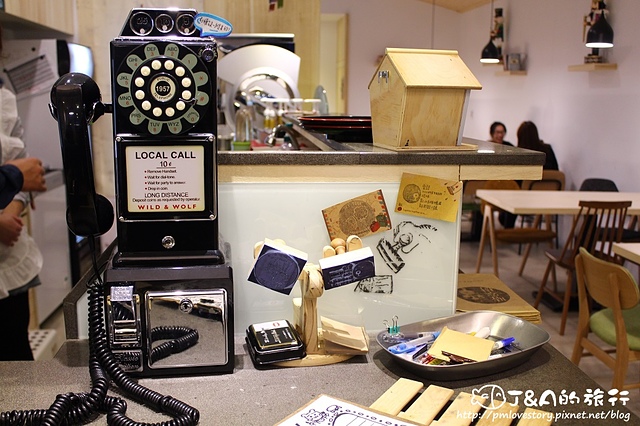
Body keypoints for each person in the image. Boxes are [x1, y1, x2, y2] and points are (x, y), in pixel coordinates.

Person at [0, 34, 47, 360]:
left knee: (16, 355)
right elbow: (17, 171)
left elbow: (21, 161)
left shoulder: (3, 96)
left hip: (9, 262)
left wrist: (11, 208)